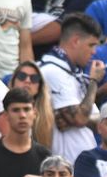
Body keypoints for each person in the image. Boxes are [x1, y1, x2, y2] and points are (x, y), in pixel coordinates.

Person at [38, 13, 103, 164]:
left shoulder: (74, 72)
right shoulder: (52, 71)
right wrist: (94, 81)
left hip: (82, 163)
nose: (94, 51)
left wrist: (83, 120)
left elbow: (98, 122)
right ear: (75, 41)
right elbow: (80, 118)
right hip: (62, 166)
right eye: (91, 45)